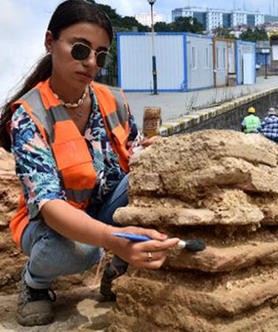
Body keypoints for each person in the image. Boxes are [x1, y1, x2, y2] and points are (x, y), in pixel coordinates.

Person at [0, 0, 180, 326]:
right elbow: (50, 204)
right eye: (80, 49)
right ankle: (35, 282)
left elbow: (126, 152)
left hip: (103, 205)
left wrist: (149, 153)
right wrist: (111, 239)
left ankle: (117, 271)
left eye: (100, 54)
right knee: (83, 251)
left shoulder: (112, 98)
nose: (91, 63)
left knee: (161, 184)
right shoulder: (29, 116)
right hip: (50, 224)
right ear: (50, 42)